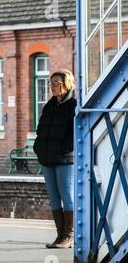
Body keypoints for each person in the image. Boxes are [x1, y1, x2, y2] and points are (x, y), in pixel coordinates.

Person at [33, 69, 77, 249]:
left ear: (67, 84)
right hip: (47, 158)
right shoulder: (49, 106)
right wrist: (39, 148)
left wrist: (63, 149)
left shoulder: (74, 105)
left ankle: (69, 235)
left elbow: (74, 133)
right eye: (51, 83)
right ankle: (60, 235)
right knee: (53, 197)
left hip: (65, 159)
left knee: (67, 196)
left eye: (56, 83)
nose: (52, 86)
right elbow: (41, 129)